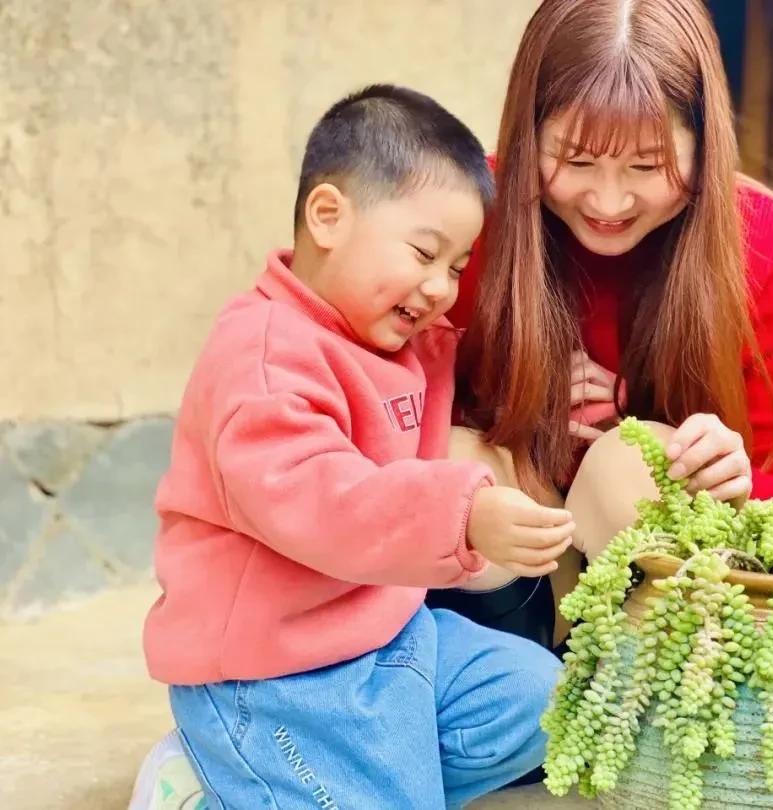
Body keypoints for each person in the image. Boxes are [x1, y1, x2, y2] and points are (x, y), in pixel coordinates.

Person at [127, 84, 575, 810]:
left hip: (392, 641)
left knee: (548, 703)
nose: (441, 289)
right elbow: (327, 500)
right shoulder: (264, 356)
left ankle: (275, 787)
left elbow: (476, 364)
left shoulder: (393, 339)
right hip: (272, 677)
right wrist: (463, 514)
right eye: (426, 253)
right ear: (328, 215)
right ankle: (213, 780)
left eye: (458, 267)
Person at [426, 0, 773, 653]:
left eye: (646, 168)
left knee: (634, 459)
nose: (608, 201)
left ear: (703, 141)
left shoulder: (770, 248)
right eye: (576, 159)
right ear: (527, 130)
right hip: (494, 583)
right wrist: (511, 415)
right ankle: (506, 725)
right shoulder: (466, 215)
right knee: (455, 460)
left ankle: (619, 725)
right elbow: (368, 412)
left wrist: (737, 480)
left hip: (664, 619)